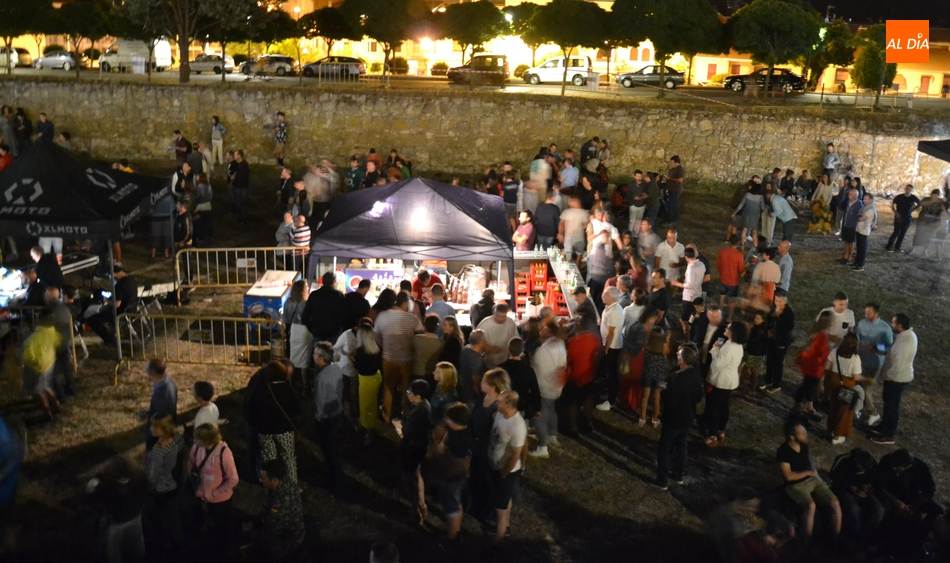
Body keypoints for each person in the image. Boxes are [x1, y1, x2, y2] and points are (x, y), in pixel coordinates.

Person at [777, 420, 842, 542]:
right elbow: (788, 476)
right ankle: (806, 541)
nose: (805, 435)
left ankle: (836, 538)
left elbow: (807, 462)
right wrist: (807, 473)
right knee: (810, 506)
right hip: (795, 485)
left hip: (812, 480)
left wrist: (814, 473)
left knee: (834, 502)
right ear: (792, 436)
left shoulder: (803, 446)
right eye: (801, 433)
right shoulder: (783, 451)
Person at [653, 344, 704, 490]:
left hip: (673, 419)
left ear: (682, 360)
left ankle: (662, 480)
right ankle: (678, 475)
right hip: (687, 418)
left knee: (664, 449)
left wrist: (664, 391)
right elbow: (699, 397)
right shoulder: (695, 375)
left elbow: (670, 400)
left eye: (679, 355)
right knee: (682, 446)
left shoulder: (677, 378)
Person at [875, 449, 943, 551]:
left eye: (897, 468)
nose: (894, 469)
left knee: (937, 510)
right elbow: (880, 485)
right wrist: (896, 502)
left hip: (913, 497)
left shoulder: (920, 467)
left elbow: (929, 490)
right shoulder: (887, 460)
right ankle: (884, 542)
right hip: (892, 496)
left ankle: (918, 538)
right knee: (890, 512)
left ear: (907, 466)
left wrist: (916, 505)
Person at [248, 358, 301, 484]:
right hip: (285, 431)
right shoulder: (288, 390)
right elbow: (297, 409)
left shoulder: (261, 390)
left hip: (265, 431)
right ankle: (291, 484)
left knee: (269, 458)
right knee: (288, 458)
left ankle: (271, 483)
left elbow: (253, 410)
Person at [374, 292, 424, 422]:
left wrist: (385, 346)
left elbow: (376, 337)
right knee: (406, 389)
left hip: (388, 357)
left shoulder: (382, 316)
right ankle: (405, 415)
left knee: (388, 388)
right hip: (406, 358)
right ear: (405, 303)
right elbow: (422, 331)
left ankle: (387, 416)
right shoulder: (411, 318)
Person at [188, 424, 238, 550]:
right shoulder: (197, 447)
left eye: (197, 439)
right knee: (207, 525)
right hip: (202, 496)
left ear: (206, 440)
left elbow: (233, 479)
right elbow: (191, 463)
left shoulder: (224, 453)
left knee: (220, 529)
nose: (194, 441)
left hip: (220, 501)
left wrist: (214, 494)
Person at [87, 457, 147, 563]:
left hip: (117, 525)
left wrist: (98, 476)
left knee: (113, 554)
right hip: (137, 519)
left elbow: (90, 492)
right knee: (139, 552)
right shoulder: (140, 479)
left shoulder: (108, 487)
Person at [428, 402, 471, 543]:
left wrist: (438, 445)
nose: (445, 420)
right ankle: (455, 531)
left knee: (452, 510)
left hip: (451, 480)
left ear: (455, 422)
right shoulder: (463, 433)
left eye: (448, 419)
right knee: (456, 506)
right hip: (457, 479)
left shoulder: (455, 441)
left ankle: (451, 539)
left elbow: (453, 463)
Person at [871, 314, 917, 445]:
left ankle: (888, 435)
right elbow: (891, 349)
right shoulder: (909, 336)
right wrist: (877, 348)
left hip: (896, 379)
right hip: (902, 377)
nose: (891, 325)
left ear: (900, 326)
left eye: (894, 323)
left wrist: (886, 376)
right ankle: (884, 426)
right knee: (889, 404)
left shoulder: (903, 344)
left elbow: (896, 365)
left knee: (892, 407)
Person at [489, 391, 527, 544]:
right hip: (497, 467)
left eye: (499, 402)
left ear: (509, 405)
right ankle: (506, 527)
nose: (496, 404)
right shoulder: (500, 414)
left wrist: (504, 473)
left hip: (506, 471)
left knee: (500, 508)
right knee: (504, 500)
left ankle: (498, 541)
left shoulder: (517, 425)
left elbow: (515, 454)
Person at [144, 412, 184, 554]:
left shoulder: (159, 450)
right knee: (173, 516)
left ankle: (170, 545)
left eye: (155, 427)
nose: (151, 429)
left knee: (164, 517)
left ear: (164, 429)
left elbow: (153, 476)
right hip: (176, 485)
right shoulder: (178, 439)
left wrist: (149, 489)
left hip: (162, 490)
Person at [705, 322, 747, 447]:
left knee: (714, 409)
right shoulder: (738, 345)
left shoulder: (728, 347)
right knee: (724, 407)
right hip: (730, 381)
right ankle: (721, 431)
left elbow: (718, 364)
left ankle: (712, 436)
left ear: (734, 333)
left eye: (728, 328)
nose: (725, 328)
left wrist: (715, 348)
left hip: (721, 382)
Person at [829, 448, 884, 544]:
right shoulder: (844, 461)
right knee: (854, 510)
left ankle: (865, 539)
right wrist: (850, 487)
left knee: (879, 509)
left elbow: (875, 479)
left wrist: (867, 487)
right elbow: (833, 477)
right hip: (845, 490)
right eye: (861, 468)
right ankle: (852, 539)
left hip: (862, 491)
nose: (862, 471)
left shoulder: (872, 464)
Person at [254, 459, 305, 560]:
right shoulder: (285, 482)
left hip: (288, 539)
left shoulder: (279, 501)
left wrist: (255, 534)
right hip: (291, 530)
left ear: (274, 480)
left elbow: (272, 528)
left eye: (263, 478)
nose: (260, 480)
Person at [311, 342, 344, 488]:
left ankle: (333, 478)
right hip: (337, 413)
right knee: (334, 446)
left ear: (321, 358)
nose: (313, 356)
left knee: (328, 448)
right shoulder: (337, 369)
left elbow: (319, 401)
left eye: (315, 354)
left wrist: (317, 416)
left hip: (325, 419)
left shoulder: (321, 378)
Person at [399, 379, 431, 525]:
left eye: (409, 392)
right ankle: (423, 505)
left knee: (409, 479)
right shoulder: (423, 405)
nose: (407, 394)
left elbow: (406, 430)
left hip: (412, 448)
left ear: (418, 395)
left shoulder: (418, 411)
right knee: (417, 475)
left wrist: (403, 421)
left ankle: (416, 511)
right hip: (419, 447)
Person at [855, 303, 892, 427]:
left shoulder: (884, 328)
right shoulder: (861, 323)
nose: (866, 314)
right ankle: (857, 409)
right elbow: (857, 338)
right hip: (860, 360)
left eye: (869, 312)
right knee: (857, 387)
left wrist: (875, 348)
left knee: (866, 391)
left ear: (876, 313)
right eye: (865, 312)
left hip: (874, 364)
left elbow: (888, 346)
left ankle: (873, 413)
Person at [826, 333, 864, 445]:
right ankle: (838, 436)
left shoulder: (834, 351)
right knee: (845, 411)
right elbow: (856, 377)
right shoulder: (855, 358)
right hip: (847, 384)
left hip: (833, 381)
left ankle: (830, 430)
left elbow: (827, 367)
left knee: (833, 407)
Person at [795, 311, 832, 421]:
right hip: (815, 366)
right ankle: (809, 407)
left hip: (809, 364)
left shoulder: (815, 332)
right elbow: (822, 351)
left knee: (806, 384)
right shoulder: (823, 335)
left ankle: (798, 405)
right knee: (811, 387)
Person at [351, 318, 383, 446]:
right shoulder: (375, 348)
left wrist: (350, 357)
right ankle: (371, 429)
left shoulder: (361, 352)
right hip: (376, 377)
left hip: (366, 380)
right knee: (372, 405)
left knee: (365, 407)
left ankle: (370, 433)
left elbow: (357, 367)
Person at [139, 359, 177, 451]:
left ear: (152, 372)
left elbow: (161, 416)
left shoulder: (162, 392)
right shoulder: (167, 382)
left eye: (147, 369)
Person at [762, 290, 795, 394]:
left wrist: (775, 333)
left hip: (782, 341)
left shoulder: (789, 313)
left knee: (777, 362)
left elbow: (787, 328)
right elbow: (768, 321)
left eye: (780, 301)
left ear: (785, 302)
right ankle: (768, 381)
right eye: (776, 301)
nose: (778, 303)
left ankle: (776, 385)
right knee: (769, 360)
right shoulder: (773, 309)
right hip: (771, 339)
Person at [301, 271, 346, 346]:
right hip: (333, 333)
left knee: (317, 355)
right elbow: (344, 315)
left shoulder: (314, 295)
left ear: (323, 281)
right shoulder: (339, 296)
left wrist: (312, 329)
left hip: (317, 333)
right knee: (332, 355)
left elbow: (305, 316)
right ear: (334, 282)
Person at [282, 280, 311, 389]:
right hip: (305, 330)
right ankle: (305, 385)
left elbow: (286, 319)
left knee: (293, 357)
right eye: (306, 287)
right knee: (305, 360)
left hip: (294, 330)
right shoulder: (306, 303)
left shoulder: (288, 302)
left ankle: (290, 382)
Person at [671, 247, 705, 334]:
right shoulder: (701, 264)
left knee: (684, 320)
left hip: (689, 297)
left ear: (686, 257)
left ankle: (686, 337)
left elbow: (689, 285)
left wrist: (675, 283)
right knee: (692, 318)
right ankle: (691, 335)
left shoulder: (691, 268)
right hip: (698, 293)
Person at [639, 326, 668, 427]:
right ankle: (654, 420)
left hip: (647, 374)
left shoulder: (646, 348)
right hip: (658, 376)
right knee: (656, 398)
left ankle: (642, 418)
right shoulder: (664, 350)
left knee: (645, 397)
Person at [476, 303, 519, 369]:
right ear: (494, 314)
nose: (501, 319)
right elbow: (476, 339)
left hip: (505, 359)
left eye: (504, 317)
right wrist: (487, 348)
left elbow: (515, 339)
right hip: (489, 360)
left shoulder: (510, 322)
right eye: (499, 316)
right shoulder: (485, 323)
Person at [885, 184, 920, 252]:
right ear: (905, 189)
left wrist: (913, 209)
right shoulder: (899, 197)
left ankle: (897, 247)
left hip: (907, 217)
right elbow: (893, 205)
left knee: (903, 233)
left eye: (910, 189)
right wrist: (896, 213)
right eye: (907, 189)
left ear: (912, 190)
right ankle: (889, 246)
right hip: (899, 217)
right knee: (896, 232)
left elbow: (919, 203)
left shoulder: (913, 198)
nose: (908, 190)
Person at [412, 314, 444, 386]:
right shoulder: (441, 342)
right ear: (437, 327)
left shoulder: (415, 339)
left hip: (416, 371)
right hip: (431, 373)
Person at [558, 196, 590, 265]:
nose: (569, 202)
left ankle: (567, 272)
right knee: (579, 257)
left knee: (567, 257)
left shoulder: (566, 212)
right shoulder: (584, 213)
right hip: (580, 238)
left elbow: (561, 224)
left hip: (568, 237)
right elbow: (586, 226)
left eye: (570, 201)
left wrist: (560, 234)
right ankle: (576, 273)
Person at [716, 235, 745, 309]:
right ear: (738, 243)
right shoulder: (739, 256)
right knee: (732, 300)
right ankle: (729, 317)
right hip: (733, 281)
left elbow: (718, 265)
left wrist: (721, 273)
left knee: (722, 296)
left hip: (723, 278)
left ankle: (720, 314)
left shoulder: (722, 252)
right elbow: (741, 270)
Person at [733, 183, 764, 250]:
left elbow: (741, 205)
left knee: (744, 230)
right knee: (754, 232)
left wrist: (734, 212)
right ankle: (755, 246)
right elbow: (762, 207)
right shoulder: (760, 197)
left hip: (746, 214)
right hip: (755, 216)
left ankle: (742, 246)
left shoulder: (747, 195)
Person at [852, 193, 876, 272]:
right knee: (859, 248)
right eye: (864, 199)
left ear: (871, 200)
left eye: (866, 199)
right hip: (859, 229)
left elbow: (861, 218)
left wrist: (858, 217)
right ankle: (856, 263)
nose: (864, 201)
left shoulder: (870, 210)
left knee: (862, 249)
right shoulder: (865, 208)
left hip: (864, 231)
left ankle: (861, 265)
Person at [665, 155, 685, 224]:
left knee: (672, 204)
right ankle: (673, 217)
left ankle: (671, 219)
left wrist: (670, 179)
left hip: (675, 190)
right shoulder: (673, 169)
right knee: (672, 203)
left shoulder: (680, 170)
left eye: (672, 162)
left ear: (677, 162)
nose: (671, 164)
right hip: (671, 189)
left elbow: (680, 180)